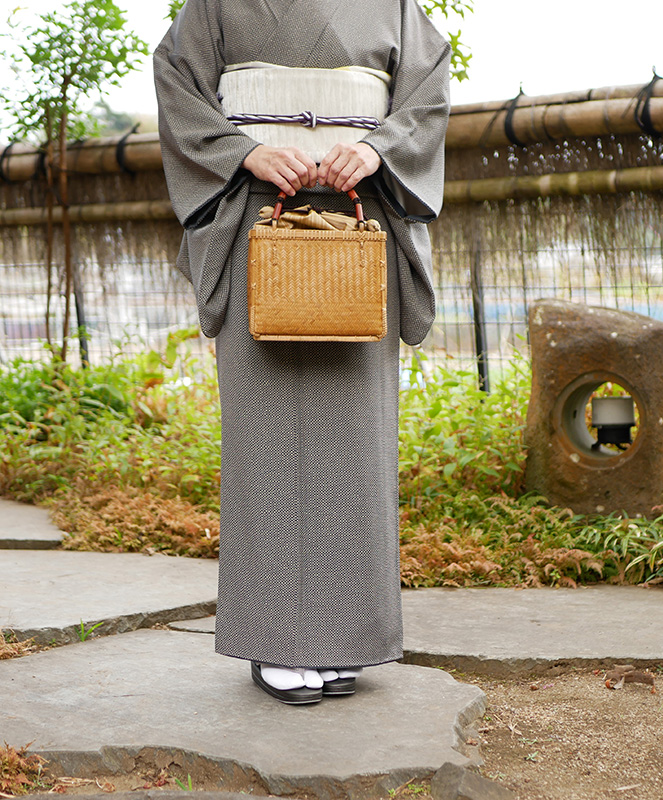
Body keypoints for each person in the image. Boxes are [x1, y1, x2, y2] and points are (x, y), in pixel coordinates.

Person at [153, 0, 450, 705]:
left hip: (358, 216)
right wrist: (244, 151)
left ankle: (346, 638)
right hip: (261, 215)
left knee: (358, 446)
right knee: (265, 446)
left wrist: (376, 149)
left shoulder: (397, 6)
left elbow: (429, 90)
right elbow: (176, 78)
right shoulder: (217, 5)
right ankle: (277, 641)